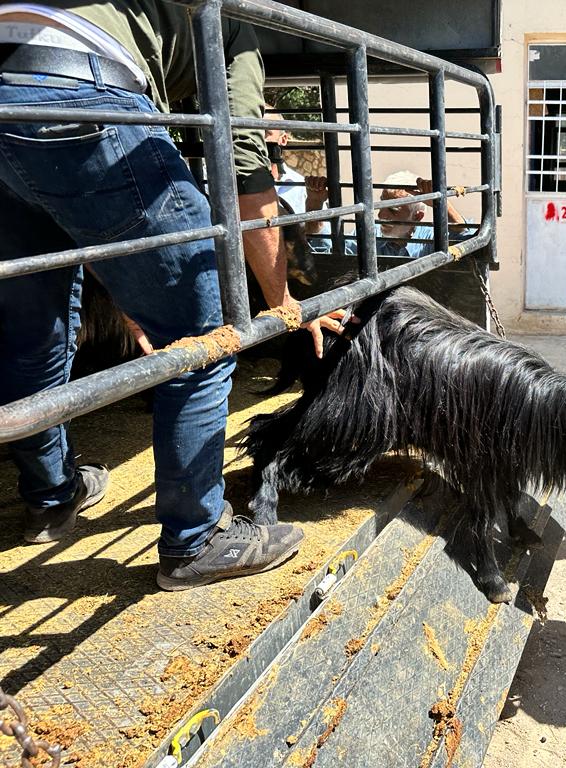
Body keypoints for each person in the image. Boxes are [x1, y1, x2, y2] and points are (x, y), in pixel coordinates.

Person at [0, 1, 339, 590]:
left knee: (34, 335)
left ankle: (52, 498)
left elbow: (95, 224)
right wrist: (287, 305)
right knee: (202, 332)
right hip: (85, 91)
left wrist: (135, 291)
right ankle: (197, 539)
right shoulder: (229, 20)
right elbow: (242, 164)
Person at [345, 170, 469, 258]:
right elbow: (332, 257)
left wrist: (443, 204)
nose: (381, 215)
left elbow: (468, 244)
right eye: (381, 204)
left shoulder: (430, 239)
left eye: (393, 209)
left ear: (417, 217)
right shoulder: (368, 234)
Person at [264, 107, 331, 246]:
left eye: (265, 133)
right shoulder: (217, 185)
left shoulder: (300, 187)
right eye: (251, 134)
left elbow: (321, 243)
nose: (256, 141)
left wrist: (314, 206)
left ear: (283, 139)